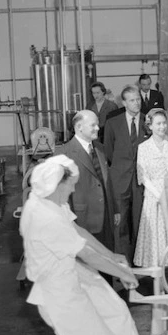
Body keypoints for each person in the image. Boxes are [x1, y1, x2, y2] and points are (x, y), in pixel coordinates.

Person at [19, 155, 149, 335]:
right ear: (57, 186)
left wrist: (113, 258)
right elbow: (86, 255)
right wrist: (124, 274)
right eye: (70, 185)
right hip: (59, 297)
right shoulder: (45, 217)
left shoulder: (47, 202)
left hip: (68, 282)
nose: (74, 189)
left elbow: (79, 232)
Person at [55, 110, 119, 265]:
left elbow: (108, 182)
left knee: (106, 263)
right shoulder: (64, 153)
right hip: (82, 219)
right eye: (93, 125)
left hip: (106, 219)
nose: (98, 128)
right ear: (79, 127)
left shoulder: (100, 148)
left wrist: (115, 209)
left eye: (97, 124)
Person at [103, 85, 149, 264]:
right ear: (124, 102)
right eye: (132, 100)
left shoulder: (148, 122)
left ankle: (140, 260)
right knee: (120, 222)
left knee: (140, 221)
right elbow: (108, 151)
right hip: (120, 180)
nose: (136, 103)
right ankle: (122, 262)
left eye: (138, 99)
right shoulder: (112, 123)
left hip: (141, 181)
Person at [134, 108, 168, 268]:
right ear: (150, 126)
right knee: (155, 238)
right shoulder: (143, 147)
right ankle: (156, 277)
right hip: (153, 197)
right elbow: (143, 176)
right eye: (158, 124)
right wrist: (158, 194)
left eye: (164, 123)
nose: (162, 127)